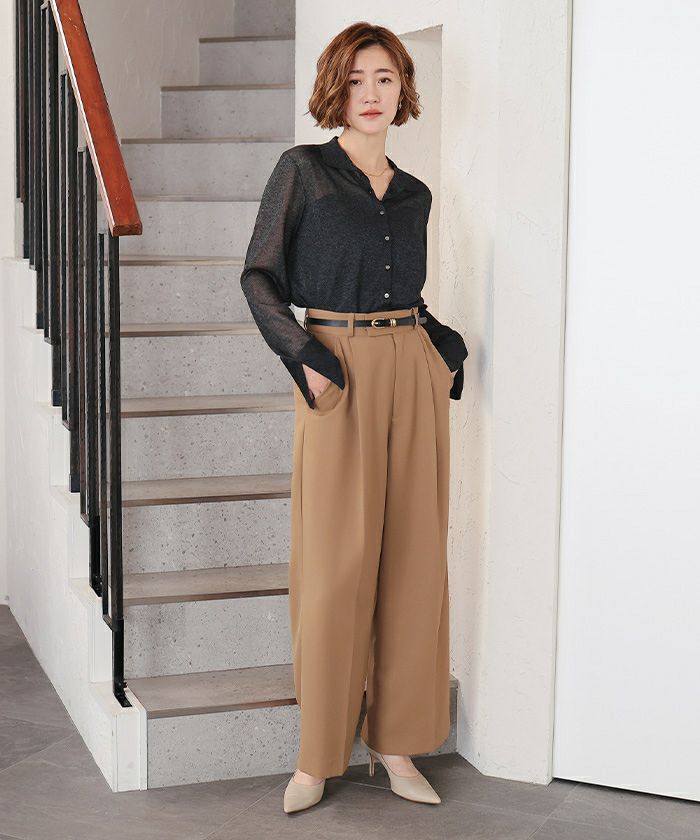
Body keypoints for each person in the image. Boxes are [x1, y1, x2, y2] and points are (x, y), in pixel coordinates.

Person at [239, 21, 468, 814]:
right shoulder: (303, 171)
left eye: (386, 78)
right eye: (357, 79)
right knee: (336, 567)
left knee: (413, 561)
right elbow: (259, 276)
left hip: (411, 367)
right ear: (334, 89)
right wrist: (303, 356)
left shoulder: (415, 193)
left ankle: (396, 743)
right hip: (335, 368)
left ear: (404, 89)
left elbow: (405, 291)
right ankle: (318, 755)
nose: (371, 94)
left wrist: (444, 350)